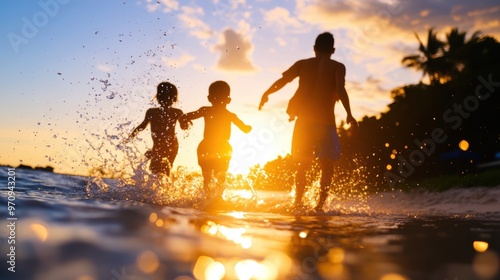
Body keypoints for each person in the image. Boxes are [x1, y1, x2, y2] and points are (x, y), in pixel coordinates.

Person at [259, 32, 358, 212]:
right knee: (327, 166)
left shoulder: (302, 64)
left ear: (314, 49)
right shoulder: (338, 66)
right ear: (333, 50)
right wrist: (349, 113)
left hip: (304, 122)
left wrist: (267, 93)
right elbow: (340, 89)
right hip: (325, 123)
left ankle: (297, 203)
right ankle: (320, 206)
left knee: (302, 166)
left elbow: (283, 81)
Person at [180, 81, 252, 200]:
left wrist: (184, 123)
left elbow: (184, 116)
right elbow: (245, 129)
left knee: (207, 177)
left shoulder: (206, 110)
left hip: (206, 146)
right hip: (223, 148)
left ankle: (208, 198)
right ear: (229, 100)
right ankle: (217, 199)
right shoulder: (230, 115)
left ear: (209, 98)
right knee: (221, 176)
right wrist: (249, 127)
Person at [128, 81, 189, 176]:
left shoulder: (152, 112)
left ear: (157, 97)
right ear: (174, 99)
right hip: (170, 145)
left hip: (166, 145)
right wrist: (185, 123)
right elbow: (184, 127)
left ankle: (156, 188)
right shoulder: (176, 112)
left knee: (155, 169)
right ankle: (165, 188)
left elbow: (142, 126)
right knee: (165, 168)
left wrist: (131, 135)